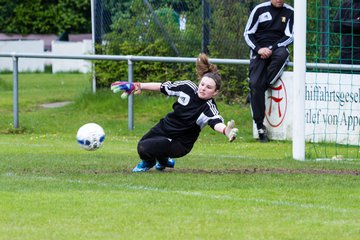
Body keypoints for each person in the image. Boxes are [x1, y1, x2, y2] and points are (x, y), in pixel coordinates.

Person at [111, 53, 238, 172]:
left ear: (215, 92)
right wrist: (138, 85)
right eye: (202, 84)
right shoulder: (187, 87)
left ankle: (149, 163)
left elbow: (216, 122)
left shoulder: (208, 107)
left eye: (209, 87)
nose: (203, 88)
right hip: (165, 127)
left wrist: (226, 131)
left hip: (181, 143)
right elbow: (162, 87)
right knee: (142, 146)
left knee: (145, 148)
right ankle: (164, 161)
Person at [243, 0, 294, 142]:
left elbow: (290, 36)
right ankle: (260, 127)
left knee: (282, 55)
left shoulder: (291, 12)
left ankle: (255, 93)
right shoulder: (259, 10)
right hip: (258, 52)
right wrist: (259, 49)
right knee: (255, 84)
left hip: (277, 50)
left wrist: (272, 48)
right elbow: (248, 33)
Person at [333, 0, 360, 65]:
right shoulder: (345, 5)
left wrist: (343, 22)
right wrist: (354, 22)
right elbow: (336, 26)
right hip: (345, 54)